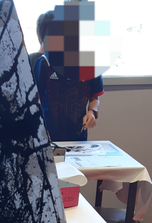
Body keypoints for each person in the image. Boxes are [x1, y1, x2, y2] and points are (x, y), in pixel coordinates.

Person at [33, 9, 103, 142]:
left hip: (78, 135)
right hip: (49, 135)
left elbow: (95, 97)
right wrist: (39, 128)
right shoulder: (44, 63)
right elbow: (36, 102)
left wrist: (92, 112)